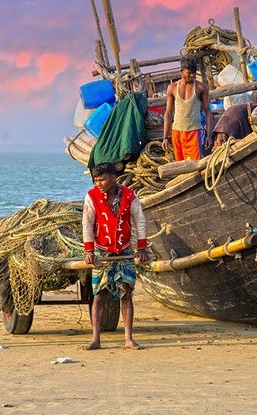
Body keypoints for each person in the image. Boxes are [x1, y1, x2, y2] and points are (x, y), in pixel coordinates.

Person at [82, 162, 151, 350]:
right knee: (99, 295)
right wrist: (89, 251)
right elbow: (87, 224)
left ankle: (128, 339)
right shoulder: (92, 196)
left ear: (113, 177)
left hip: (125, 250)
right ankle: (96, 339)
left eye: (102, 179)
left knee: (126, 294)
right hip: (101, 251)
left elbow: (140, 220)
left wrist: (142, 248)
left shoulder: (130, 195)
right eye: (96, 180)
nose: (99, 183)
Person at [162, 55, 213, 160]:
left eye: (194, 72)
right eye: (189, 73)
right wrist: (165, 137)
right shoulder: (172, 88)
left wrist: (209, 135)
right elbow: (168, 113)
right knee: (181, 165)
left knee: (195, 164)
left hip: (194, 132)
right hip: (177, 132)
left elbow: (208, 111)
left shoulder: (201, 87)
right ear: (182, 71)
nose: (192, 75)